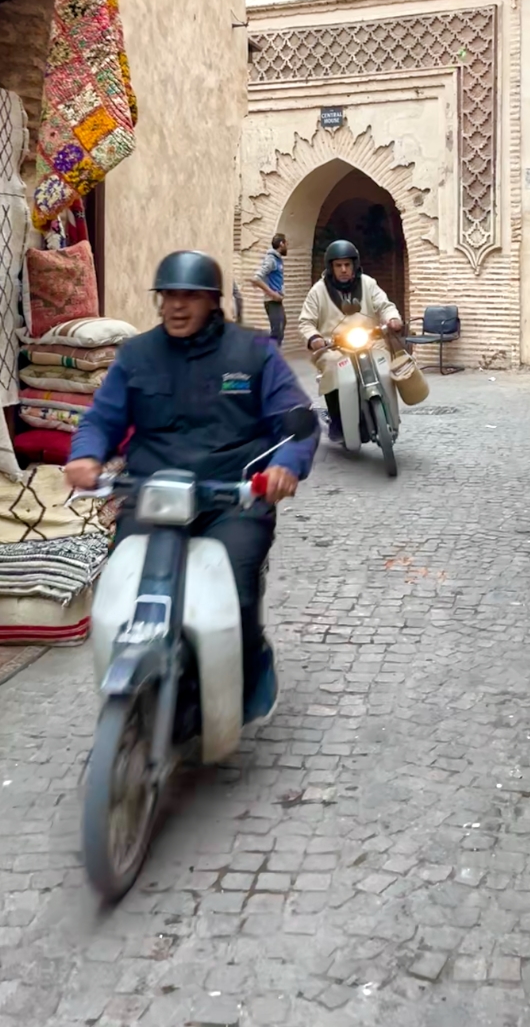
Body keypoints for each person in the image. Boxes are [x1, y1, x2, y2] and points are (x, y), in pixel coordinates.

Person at [64, 250, 319, 725]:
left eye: (190, 297)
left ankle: (247, 661)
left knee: (236, 591)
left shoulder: (253, 352)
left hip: (234, 497)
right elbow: (102, 416)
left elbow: (294, 422)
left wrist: (285, 466)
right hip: (152, 496)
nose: (177, 307)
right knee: (125, 589)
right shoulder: (136, 355)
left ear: (211, 302)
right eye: (168, 297)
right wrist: (85, 454)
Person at [298, 239, 403, 444]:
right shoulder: (318, 291)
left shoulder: (368, 284)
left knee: (385, 365)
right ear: (331, 267)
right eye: (338, 265)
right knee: (330, 365)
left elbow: (384, 305)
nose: (344, 270)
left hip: (370, 341)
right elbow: (306, 322)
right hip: (335, 346)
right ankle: (337, 420)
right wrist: (315, 338)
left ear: (354, 265)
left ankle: (390, 414)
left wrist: (392, 318)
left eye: (347, 264)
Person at [253, 233, 288, 345]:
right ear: (282, 243)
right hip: (272, 301)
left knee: (281, 326)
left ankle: (271, 353)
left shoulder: (277, 260)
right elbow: (257, 278)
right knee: (277, 331)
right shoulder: (271, 259)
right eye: (286, 243)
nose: (288, 247)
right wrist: (273, 294)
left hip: (277, 301)